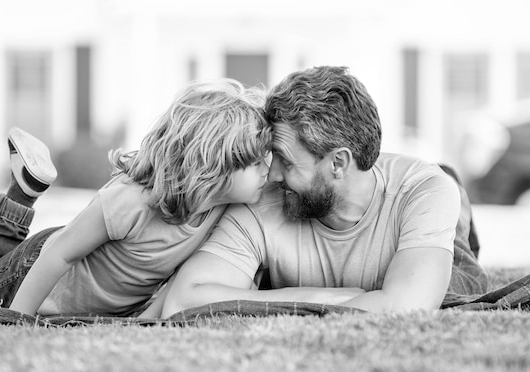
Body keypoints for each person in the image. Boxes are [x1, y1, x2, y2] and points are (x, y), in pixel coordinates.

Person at [161, 66, 488, 317]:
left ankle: (455, 196)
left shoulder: (423, 192)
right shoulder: (259, 202)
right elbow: (182, 300)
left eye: (286, 161)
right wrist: (315, 297)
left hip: (423, 209)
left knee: (460, 287)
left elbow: (408, 307)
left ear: (337, 163)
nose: (271, 174)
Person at [0, 79, 271, 317]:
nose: (268, 169)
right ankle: (20, 196)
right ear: (213, 167)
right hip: (34, 268)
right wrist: (20, 318)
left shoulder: (221, 209)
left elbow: (179, 281)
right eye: (256, 163)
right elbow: (58, 254)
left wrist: (144, 324)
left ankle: (23, 190)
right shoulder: (132, 202)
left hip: (77, 287)